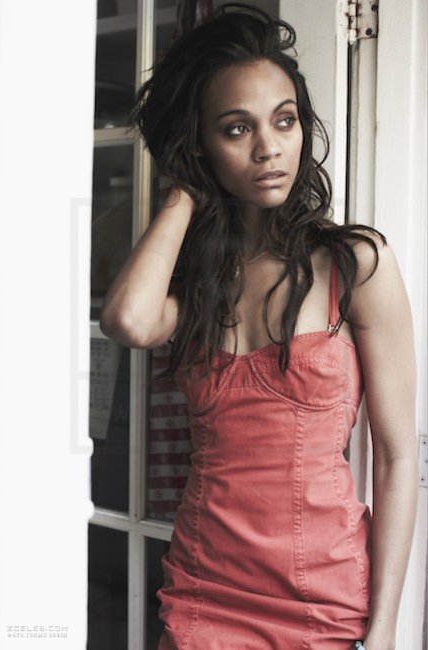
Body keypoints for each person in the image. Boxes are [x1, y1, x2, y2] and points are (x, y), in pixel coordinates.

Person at [100, 5, 419, 649]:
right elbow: (129, 320)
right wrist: (184, 190)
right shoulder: (197, 282)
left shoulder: (354, 263)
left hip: (324, 602)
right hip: (203, 592)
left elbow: (396, 455)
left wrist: (384, 627)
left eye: (285, 120)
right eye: (236, 128)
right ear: (201, 145)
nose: (269, 147)